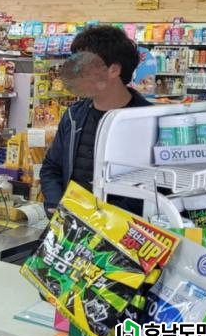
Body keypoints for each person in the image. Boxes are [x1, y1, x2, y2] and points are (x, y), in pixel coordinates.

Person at [40, 25, 152, 216]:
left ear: (113, 70)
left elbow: (154, 187)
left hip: (123, 227)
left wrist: (102, 217)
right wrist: (56, 203)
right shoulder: (73, 116)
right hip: (71, 223)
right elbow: (51, 168)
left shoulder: (150, 121)